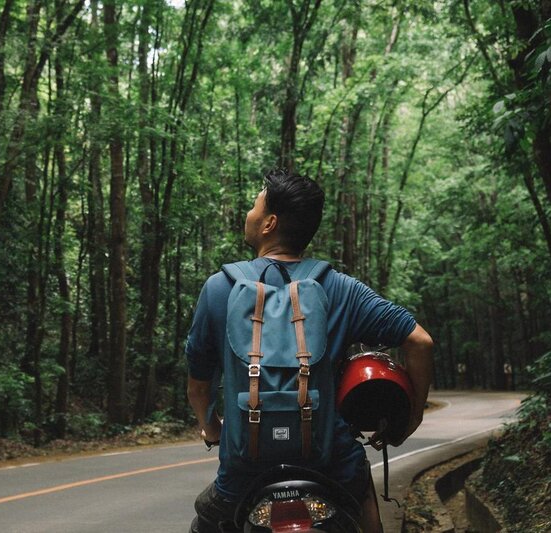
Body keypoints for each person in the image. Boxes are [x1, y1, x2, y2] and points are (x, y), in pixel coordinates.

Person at [186, 169, 434, 532]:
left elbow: (198, 388)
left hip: (244, 473)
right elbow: (419, 341)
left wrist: (212, 429)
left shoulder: (218, 288)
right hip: (330, 464)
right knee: (362, 495)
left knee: (205, 518)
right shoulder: (340, 288)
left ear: (269, 223)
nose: (249, 215)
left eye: (254, 207)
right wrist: (412, 416)